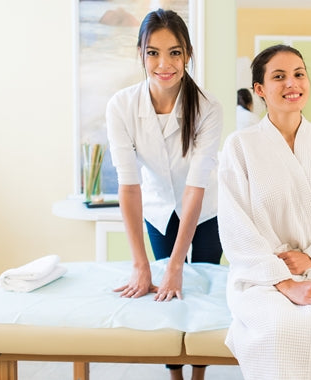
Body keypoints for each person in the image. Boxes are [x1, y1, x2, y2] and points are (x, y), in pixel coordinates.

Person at [217, 45, 311, 380]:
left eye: (299, 74)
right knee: (278, 328)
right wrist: (285, 281)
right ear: (260, 89)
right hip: (262, 275)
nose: (292, 83)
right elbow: (235, 225)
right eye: (279, 76)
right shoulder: (241, 147)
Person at [105, 8, 222, 380]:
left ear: (187, 53)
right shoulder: (121, 106)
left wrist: (176, 266)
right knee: (164, 296)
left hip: (205, 212)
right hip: (157, 210)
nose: (164, 63)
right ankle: (174, 375)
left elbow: (195, 188)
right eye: (153, 52)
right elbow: (129, 185)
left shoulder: (208, 108)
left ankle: (199, 374)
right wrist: (142, 265)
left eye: (174, 52)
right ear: (139, 52)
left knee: (198, 290)